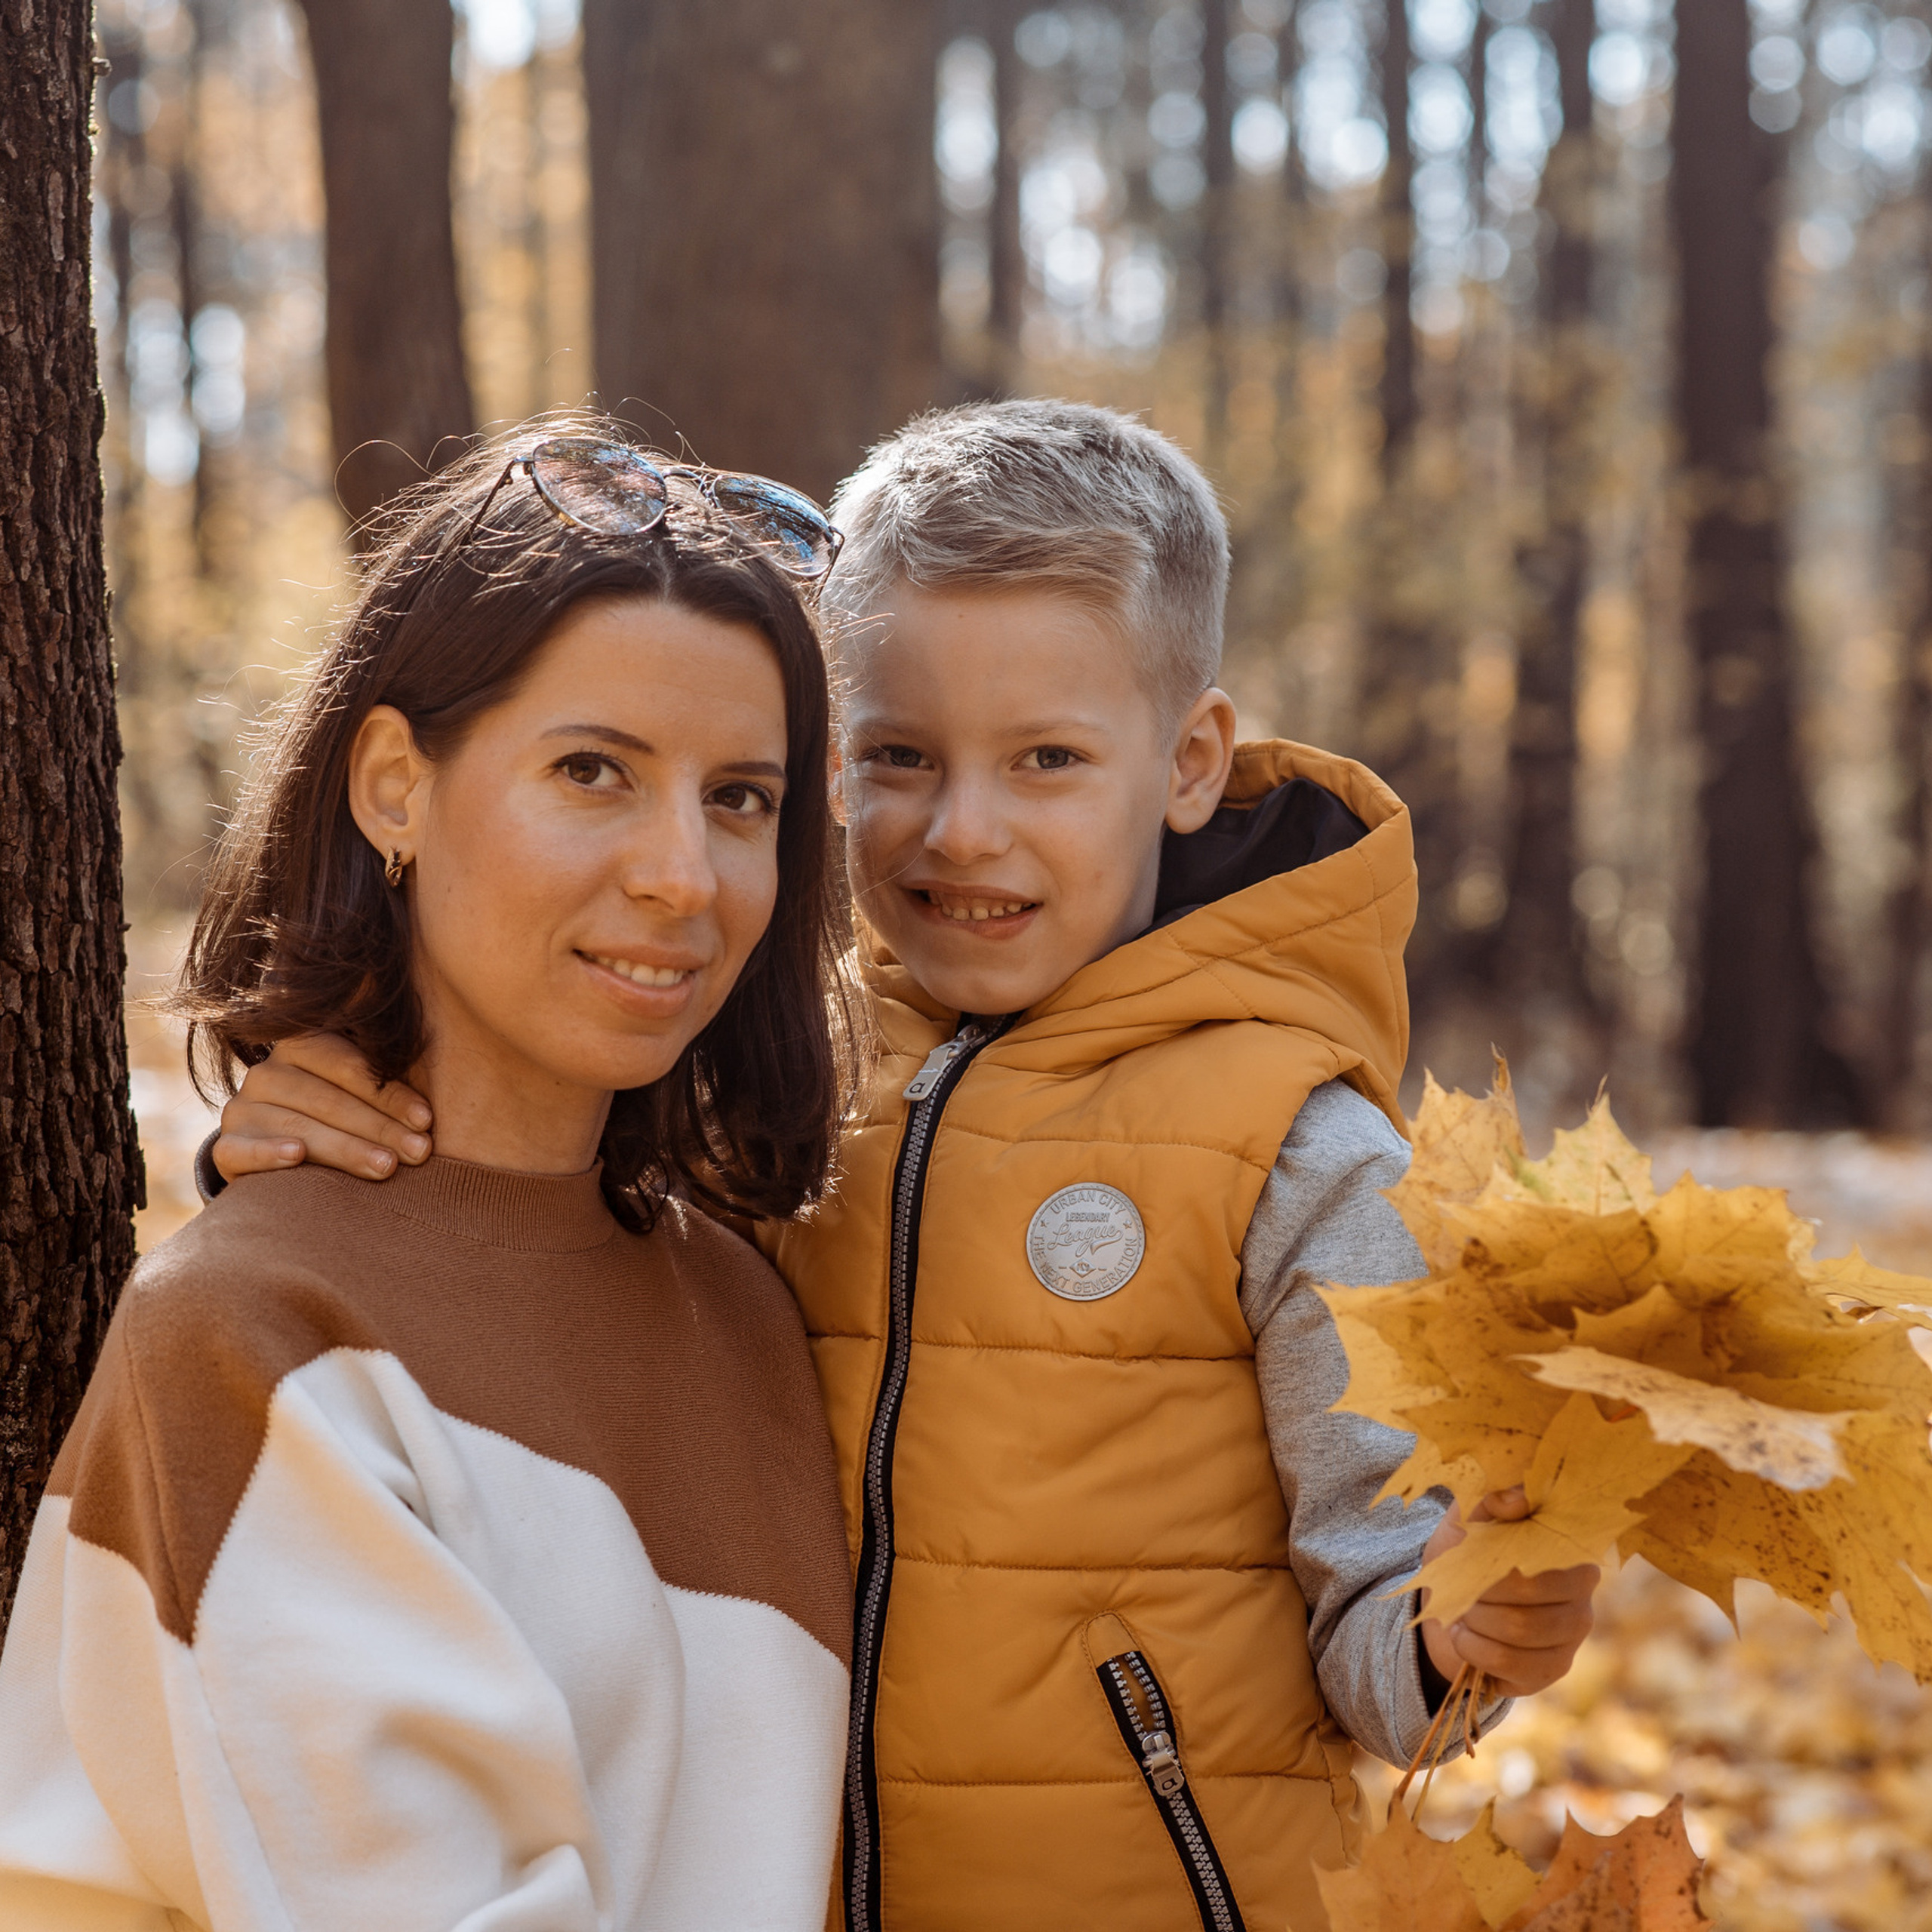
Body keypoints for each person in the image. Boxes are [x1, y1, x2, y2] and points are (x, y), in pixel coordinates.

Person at [205, 401, 1600, 1932]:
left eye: (1047, 759)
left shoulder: (1296, 1147)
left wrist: (1471, 1627)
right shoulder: (764, 1063)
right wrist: (307, 1140)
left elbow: (1383, 1628)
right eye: (898, 757)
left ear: (1187, 758)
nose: (961, 829)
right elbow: (526, 1261)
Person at [0, 422, 860, 1931]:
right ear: (395, 782)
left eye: (740, 796)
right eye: (594, 770)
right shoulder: (255, 1332)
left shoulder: (753, 1299)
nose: (682, 871)